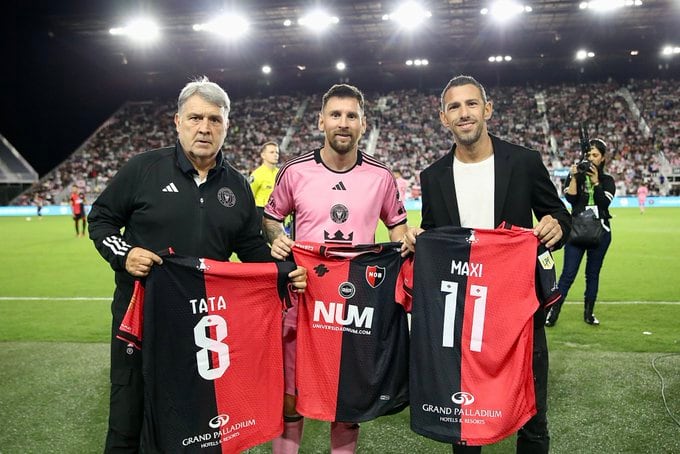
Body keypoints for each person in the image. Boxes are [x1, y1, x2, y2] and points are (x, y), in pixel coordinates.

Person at [87, 76, 307, 453]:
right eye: (195, 118)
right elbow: (101, 219)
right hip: (140, 320)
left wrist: (286, 272)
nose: (204, 128)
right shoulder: (143, 169)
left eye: (214, 120)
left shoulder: (237, 185)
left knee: (196, 422)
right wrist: (124, 254)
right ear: (177, 122)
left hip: (203, 328)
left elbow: (252, 249)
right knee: (128, 419)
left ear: (226, 126)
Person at [403, 74, 571, 453]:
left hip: (517, 310)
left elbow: (559, 214)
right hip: (463, 316)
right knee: (463, 420)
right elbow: (435, 235)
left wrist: (555, 225)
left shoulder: (524, 162)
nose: (464, 113)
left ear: (487, 109)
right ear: (443, 118)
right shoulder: (433, 176)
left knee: (532, 417)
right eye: (454, 107)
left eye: (471, 104)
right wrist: (418, 240)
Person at [263, 83, 409, 454]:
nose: (343, 123)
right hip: (303, 299)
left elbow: (397, 228)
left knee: (349, 401)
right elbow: (271, 218)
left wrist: (408, 239)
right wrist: (276, 237)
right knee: (290, 397)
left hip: (356, 303)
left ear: (363, 124)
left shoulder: (381, 177)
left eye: (351, 116)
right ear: (320, 121)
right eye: (335, 114)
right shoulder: (294, 172)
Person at [546, 138, 615, 327]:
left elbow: (604, 203)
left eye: (595, 155)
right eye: (589, 155)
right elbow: (571, 199)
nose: (591, 158)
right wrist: (575, 176)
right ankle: (553, 313)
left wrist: (595, 182)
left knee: (592, 274)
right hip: (576, 232)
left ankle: (589, 314)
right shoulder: (576, 175)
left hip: (599, 234)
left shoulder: (607, 180)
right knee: (567, 274)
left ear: (602, 158)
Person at [249, 141, 280, 219]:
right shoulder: (257, 175)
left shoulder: (280, 173)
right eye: (271, 152)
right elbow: (249, 198)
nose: (276, 155)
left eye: (277, 152)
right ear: (263, 155)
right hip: (261, 213)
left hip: (277, 213)